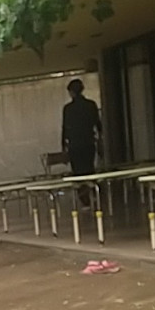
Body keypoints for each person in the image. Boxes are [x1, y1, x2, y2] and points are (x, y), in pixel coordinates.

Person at [61, 78, 102, 211]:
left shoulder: (68, 109)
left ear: (71, 92)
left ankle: (85, 201)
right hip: (89, 142)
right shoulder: (91, 105)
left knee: (78, 172)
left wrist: (63, 146)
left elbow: (65, 128)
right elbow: (98, 124)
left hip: (75, 145)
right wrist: (100, 138)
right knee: (89, 168)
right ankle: (94, 193)